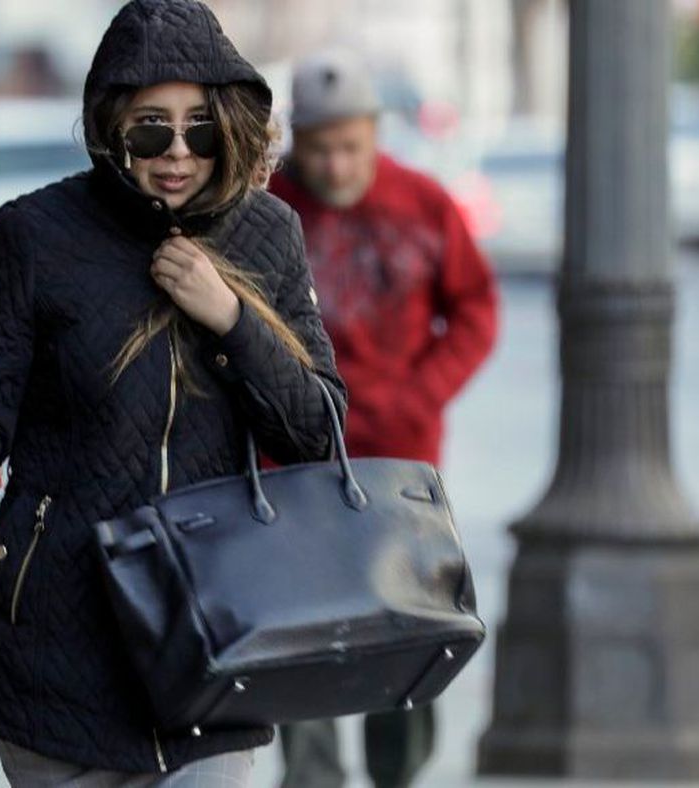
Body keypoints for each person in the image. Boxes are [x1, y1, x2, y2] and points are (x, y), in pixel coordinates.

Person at [0, 0, 347, 784]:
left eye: (200, 128)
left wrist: (233, 318)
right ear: (112, 126)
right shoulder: (36, 234)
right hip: (58, 637)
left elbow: (317, 431)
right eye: (152, 128)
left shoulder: (269, 234)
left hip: (216, 631)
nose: (177, 153)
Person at [268, 50, 499, 788]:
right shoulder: (268, 211)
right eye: (321, 149)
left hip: (402, 462)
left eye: (351, 147)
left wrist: (421, 393)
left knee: (408, 629)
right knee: (298, 632)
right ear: (296, 142)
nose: (337, 167)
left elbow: (475, 311)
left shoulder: (424, 203)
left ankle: (396, 775)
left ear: (375, 133)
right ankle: (312, 779)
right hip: (294, 461)